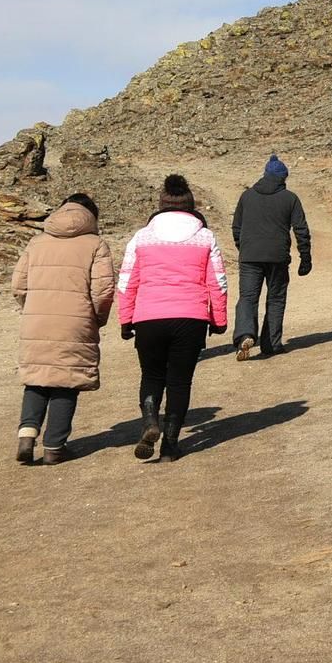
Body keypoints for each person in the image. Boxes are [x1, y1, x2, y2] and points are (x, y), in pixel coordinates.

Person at [117, 174, 228, 461]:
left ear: (161, 205)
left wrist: (126, 319)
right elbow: (217, 281)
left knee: (152, 375)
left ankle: (151, 419)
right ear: (190, 206)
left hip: (148, 318)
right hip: (190, 319)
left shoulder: (142, 237)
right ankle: (170, 444)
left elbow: (127, 281)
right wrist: (218, 319)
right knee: (180, 382)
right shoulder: (205, 236)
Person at [11, 193, 115, 465]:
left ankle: (26, 435)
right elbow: (103, 291)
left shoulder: (36, 242)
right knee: (66, 381)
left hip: (36, 317)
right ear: (92, 216)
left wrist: (32, 306)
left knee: (37, 376)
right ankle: (54, 447)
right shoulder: (96, 244)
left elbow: (18, 285)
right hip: (76, 320)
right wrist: (96, 318)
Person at [229, 153, 312, 360]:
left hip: (250, 256)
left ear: (264, 175)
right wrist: (305, 258)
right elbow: (301, 229)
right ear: (284, 178)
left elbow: (236, 227)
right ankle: (271, 344)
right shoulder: (290, 198)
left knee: (248, 298)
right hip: (277, 256)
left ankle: (245, 335)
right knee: (275, 299)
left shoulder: (246, 196)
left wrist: (244, 247)